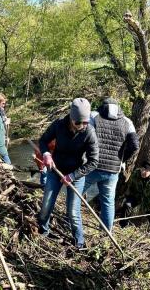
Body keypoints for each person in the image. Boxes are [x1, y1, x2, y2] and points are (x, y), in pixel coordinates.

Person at [38, 98, 99, 248]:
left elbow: (93, 162)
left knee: (73, 211)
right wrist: (46, 154)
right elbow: (43, 140)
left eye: (85, 122)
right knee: (46, 204)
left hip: (76, 174)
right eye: (78, 122)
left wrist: (73, 176)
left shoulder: (89, 132)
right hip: (55, 170)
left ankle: (79, 242)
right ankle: (42, 231)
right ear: (71, 118)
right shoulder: (59, 125)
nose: (81, 126)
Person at [83, 98, 139, 232]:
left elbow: (84, 137)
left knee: (75, 193)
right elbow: (135, 146)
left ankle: (69, 222)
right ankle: (106, 233)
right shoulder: (127, 122)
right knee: (107, 203)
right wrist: (122, 160)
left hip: (93, 166)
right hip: (113, 170)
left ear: (103, 106)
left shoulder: (94, 116)